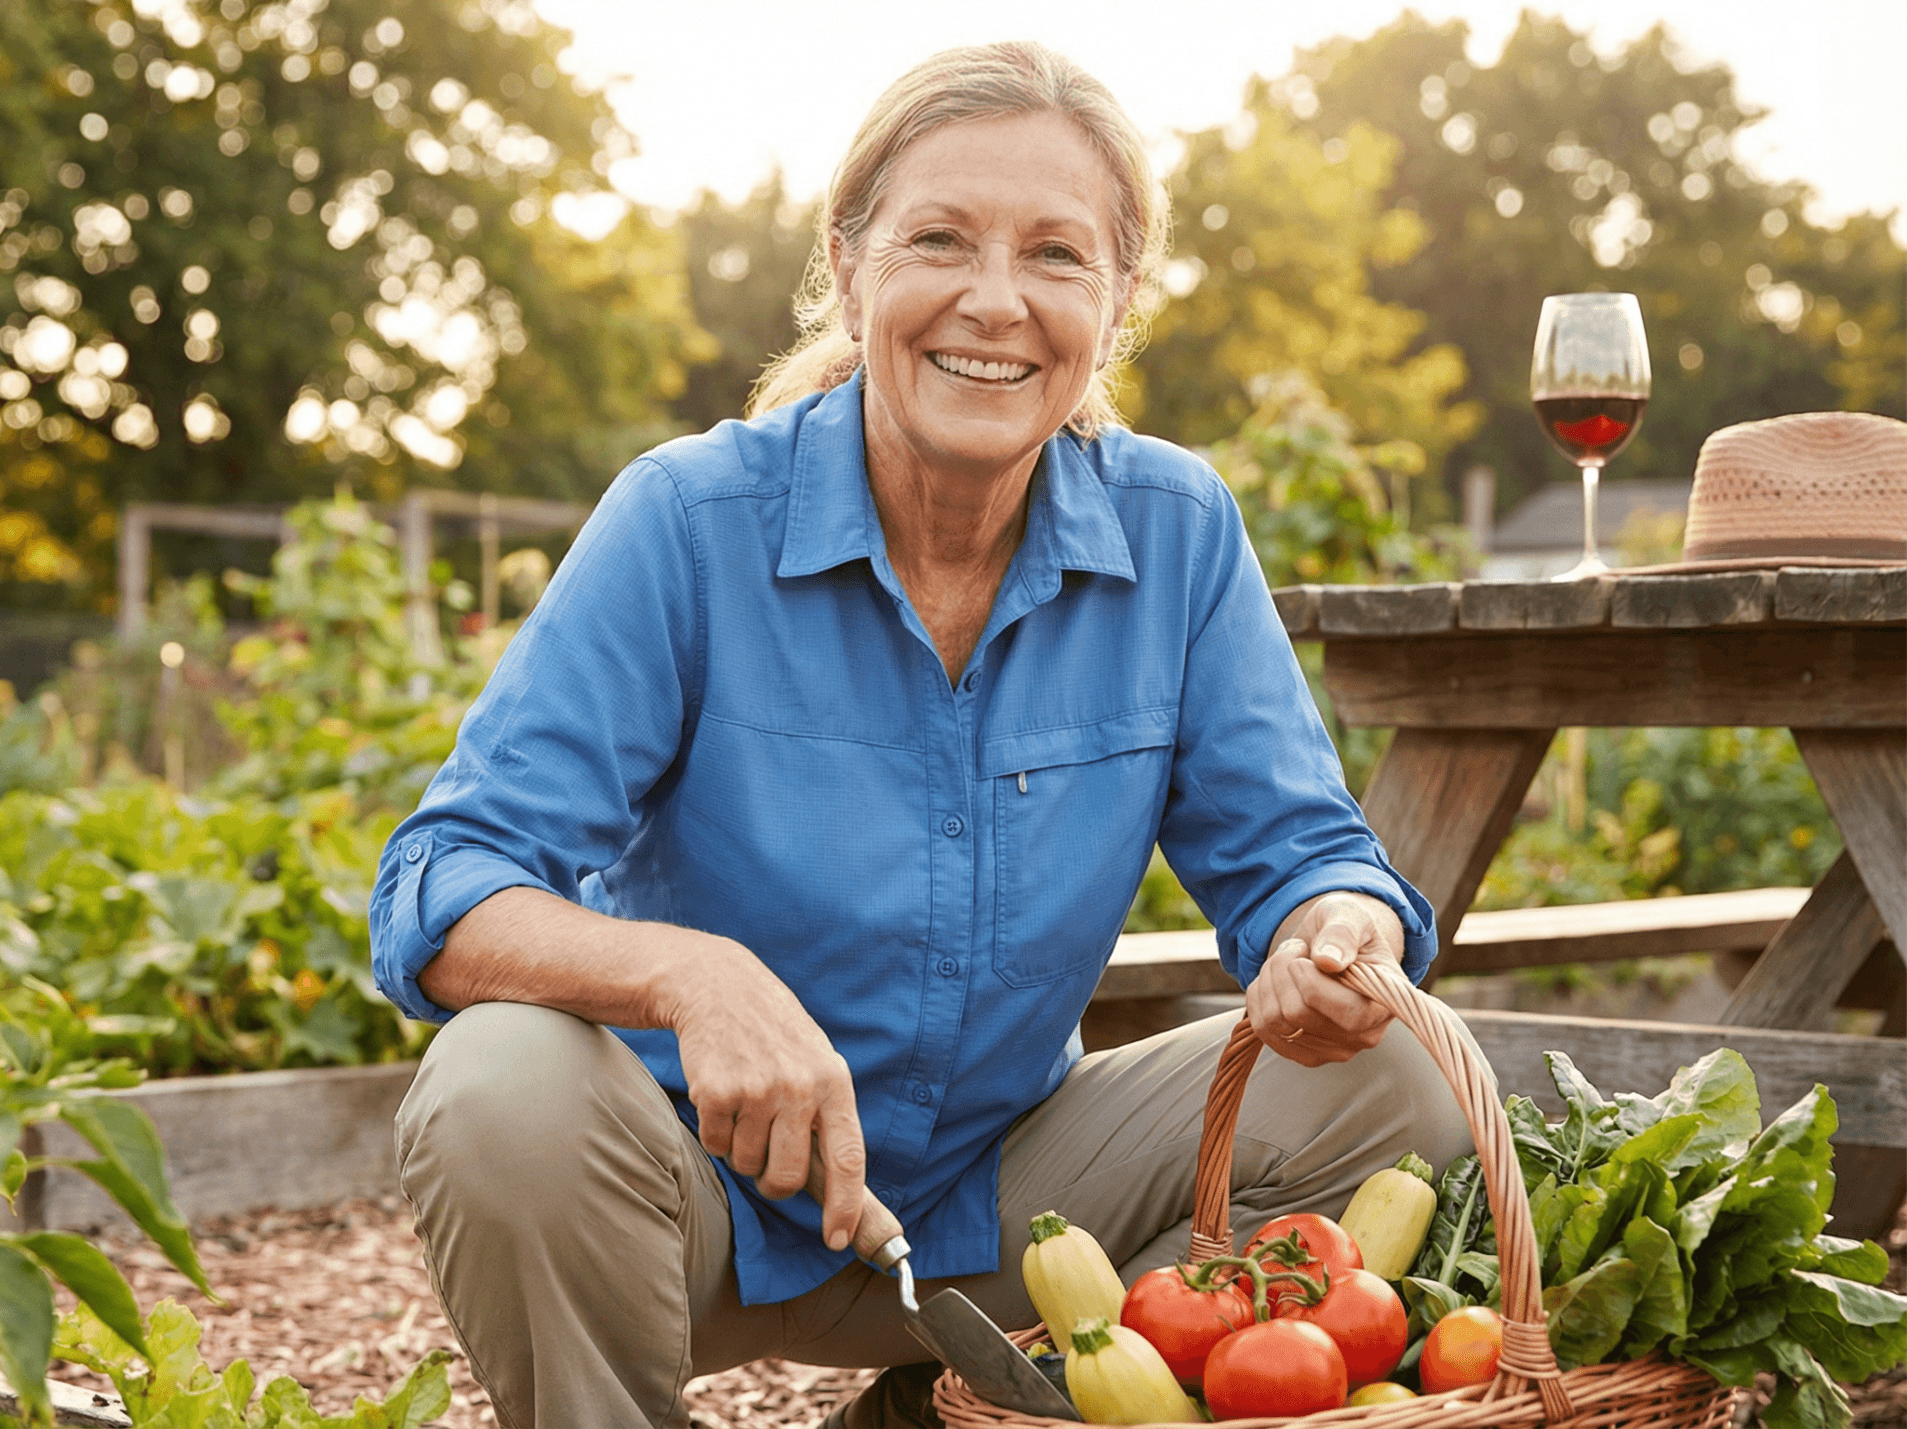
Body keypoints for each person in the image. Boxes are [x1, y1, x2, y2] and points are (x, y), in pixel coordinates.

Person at [369, 40, 1472, 1429]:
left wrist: (1336, 930)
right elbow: (443, 882)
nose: (994, 301)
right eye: (939, 240)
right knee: (498, 1083)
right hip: (675, 1199)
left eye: (1057, 256)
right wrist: (694, 980)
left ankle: (948, 1409)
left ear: (1118, 298)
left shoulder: (1176, 533)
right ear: (850, 265)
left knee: (1397, 1081)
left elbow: (1301, 852)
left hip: (1003, 1206)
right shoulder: (689, 521)